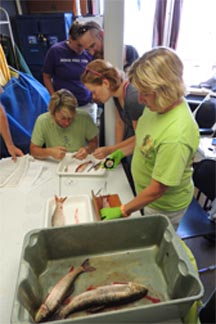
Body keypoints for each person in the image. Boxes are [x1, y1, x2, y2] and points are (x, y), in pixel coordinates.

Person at [99, 47, 200, 230]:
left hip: (162, 206)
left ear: (164, 90)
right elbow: (144, 139)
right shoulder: (158, 106)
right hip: (144, 196)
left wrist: (124, 210)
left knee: (155, 243)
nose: (140, 100)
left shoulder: (176, 135)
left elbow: (157, 190)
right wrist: (119, 153)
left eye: (145, 93)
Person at [81, 59, 144, 157]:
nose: (93, 97)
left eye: (94, 91)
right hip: (130, 148)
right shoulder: (116, 95)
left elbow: (140, 137)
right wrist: (114, 155)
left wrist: (110, 150)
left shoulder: (132, 98)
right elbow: (120, 124)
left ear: (105, 83)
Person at [42, 22, 98, 123]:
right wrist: (53, 97)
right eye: (79, 45)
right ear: (70, 39)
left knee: (89, 136)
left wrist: (94, 96)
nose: (82, 49)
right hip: (64, 106)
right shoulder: (56, 51)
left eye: (84, 46)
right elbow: (46, 76)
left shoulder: (89, 51)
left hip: (86, 104)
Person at [30, 89, 98, 160]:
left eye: (70, 118)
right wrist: (49, 152)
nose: (67, 122)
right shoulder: (42, 121)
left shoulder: (84, 117)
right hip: (54, 162)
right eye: (63, 118)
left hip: (78, 161)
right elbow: (33, 150)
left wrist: (87, 149)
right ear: (52, 114)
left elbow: (94, 142)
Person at [73, 21, 139, 72]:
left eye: (92, 46)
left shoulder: (130, 52)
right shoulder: (94, 62)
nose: (91, 53)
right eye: (87, 50)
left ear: (102, 35)